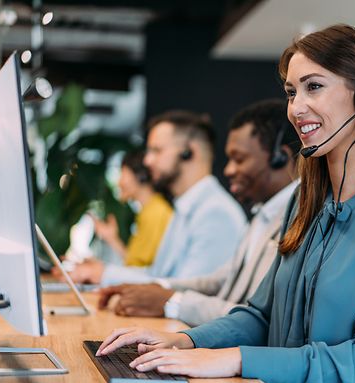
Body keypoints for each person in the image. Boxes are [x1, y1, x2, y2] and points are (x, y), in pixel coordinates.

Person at [95, 24, 355, 383]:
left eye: (313, 86)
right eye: (291, 92)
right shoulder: (307, 200)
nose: (296, 108)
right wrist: (183, 340)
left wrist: (236, 360)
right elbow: (263, 317)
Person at [97, 99, 300, 326]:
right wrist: (157, 289)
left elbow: (260, 318)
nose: (228, 169)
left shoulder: (291, 219)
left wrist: (170, 300)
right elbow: (219, 280)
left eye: (239, 159)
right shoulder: (262, 214)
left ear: (280, 158)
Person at [67, 111, 247, 285]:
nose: (147, 161)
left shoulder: (215, 213)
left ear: (189, 152)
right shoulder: (186, 207)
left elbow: (185, 289)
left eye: (157, 150)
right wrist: (103, 271)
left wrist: (105, 273)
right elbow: (157, 275)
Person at [92, 150, 173, 267]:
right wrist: (112, 239)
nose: (119, 182)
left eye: (123, 173)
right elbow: (135, 263)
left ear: (140, 175)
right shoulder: (151, 209)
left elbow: (140, 269)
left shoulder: (156, 212)